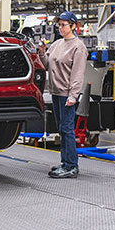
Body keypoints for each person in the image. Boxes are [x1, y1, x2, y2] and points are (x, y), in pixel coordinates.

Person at [45, 11, 87, 179]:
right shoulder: (56, 44)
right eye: (59, 25)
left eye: (64, 25)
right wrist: (41, 52)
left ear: (73, 26)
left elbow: (78, 73)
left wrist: (73, 95)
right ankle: (65, 162)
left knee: (67, 129)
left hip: (66, 94)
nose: (60, 28)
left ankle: (71, 165)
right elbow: (46, 63)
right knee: (61, 128)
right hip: (55, 92)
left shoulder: (78, 47)